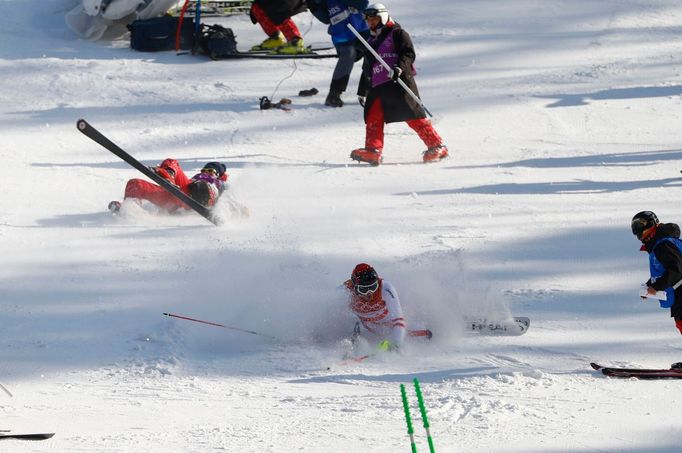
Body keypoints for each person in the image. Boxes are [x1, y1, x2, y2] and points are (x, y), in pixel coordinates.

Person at [350, 3, 448, 166]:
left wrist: (399, 69)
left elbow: (408, 53)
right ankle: (373, 150)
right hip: (377, 86)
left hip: (398, 82)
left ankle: (437, 146)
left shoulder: (398, 33)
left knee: (412, 115)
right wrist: (363, 90)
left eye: (374, 19)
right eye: (369, 21)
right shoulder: (371, 40)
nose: (372, 23)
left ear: (383, 17)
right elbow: (368, 66)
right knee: (373, 116)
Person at [307, 0, 370, 107]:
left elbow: (363, 4)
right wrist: (314, 6)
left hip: (362, 32)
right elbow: (326, 18)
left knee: (373, 53)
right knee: (348, 53)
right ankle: (334, 93)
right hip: (342, 36)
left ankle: (369, 91)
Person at [108, 159, 228, 213]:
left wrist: (238, 211)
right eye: (204, 170)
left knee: (173, 162)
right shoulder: (195, 178)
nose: (206, 172)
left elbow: (229, 201)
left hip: (197, 198)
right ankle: (130, 208)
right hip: (176, 197)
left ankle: (167, 175)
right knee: (135, 183)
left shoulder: (221, 185)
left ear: (219, 175)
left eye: (211, 171)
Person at [632, 211, 682, 335]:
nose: (638, 232)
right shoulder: (660, 244)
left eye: (640, 225)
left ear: (651, 224)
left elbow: (676, 270)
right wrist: (650, 286)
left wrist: (656, 286)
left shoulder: (663, 245)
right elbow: (664, 270)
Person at [343, 263, 406, 351]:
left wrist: (396, 343)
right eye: (363, 289)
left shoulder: (385, 288)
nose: (370, 293)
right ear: (355, 287)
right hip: (367, 327)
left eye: (373, 287)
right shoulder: (346, 290)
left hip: (388, 325)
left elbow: (398, 319)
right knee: (352, 318)